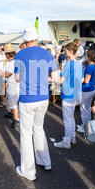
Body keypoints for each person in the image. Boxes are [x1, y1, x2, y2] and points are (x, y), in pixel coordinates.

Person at [14, 27, 58, 180]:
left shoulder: (20, 54)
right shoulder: (47, 53)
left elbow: (17, 78)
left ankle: (29, 171)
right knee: (39, 129)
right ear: (36, 39)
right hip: (43, 97)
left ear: (25, 40)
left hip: (28, 98)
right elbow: (55, 77)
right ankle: (45, 162)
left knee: (26, 134)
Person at [55, 42, 83, 149]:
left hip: (68, 94)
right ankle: (72, 137)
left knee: (68, 119)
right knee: (71, 118)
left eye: (65, 50)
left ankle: (66, 141)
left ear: (70, 51)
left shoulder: (68, 65)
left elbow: (60, 81)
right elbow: (81, 79)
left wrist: (54, 77)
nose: (64, 52)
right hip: (76, 94)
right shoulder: (79, 64)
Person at [0, 44, 20, 128]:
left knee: (13, 103)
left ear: (8, 54)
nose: (5, 55)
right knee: (10, 100)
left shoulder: (13, 62)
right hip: (12, 84)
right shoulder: (11, 61)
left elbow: (6, 74)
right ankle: (12, 113)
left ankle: (16, 119)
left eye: (6, 53)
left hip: (14, 86)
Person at [77, 49, 95, 134]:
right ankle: (86, 126)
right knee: (87, 109)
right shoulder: (93, 65)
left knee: (84, 110)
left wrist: (77, 79)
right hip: (91, 89)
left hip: (86, 90)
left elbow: (86, 81)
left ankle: (85, 128)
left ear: (89, 57)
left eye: (86, 55)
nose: (85, 57)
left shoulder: (89, 67)